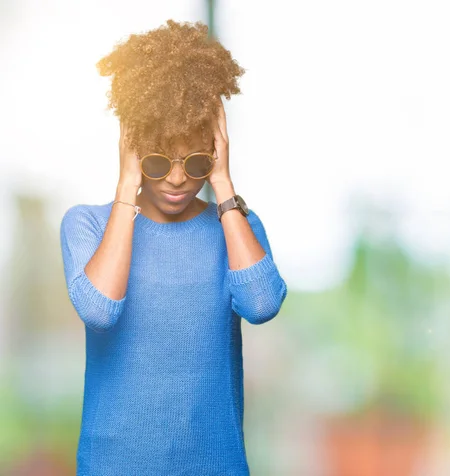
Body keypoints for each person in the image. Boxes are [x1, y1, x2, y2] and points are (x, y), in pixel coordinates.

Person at [59, 19, 288, 475]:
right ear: (134, 148)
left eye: (199, 160)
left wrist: (222, 185)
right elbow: (100, 309)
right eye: (160, 161)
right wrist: (128, 182)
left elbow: (262, 304)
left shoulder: (235, 225)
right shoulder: (86, 223)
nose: (179, 178)